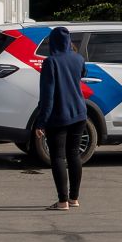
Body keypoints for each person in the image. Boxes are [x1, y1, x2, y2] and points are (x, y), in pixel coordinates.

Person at [32, 27, 87, 212]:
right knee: (74, 155)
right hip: (79, 113)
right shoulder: (78, 58)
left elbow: (47, 95)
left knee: (58, 156)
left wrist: (41, 121)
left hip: (59, 115)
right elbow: (82, 74)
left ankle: (62, 201)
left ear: (53, 42)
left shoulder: (50, 62)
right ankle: (74, 198)